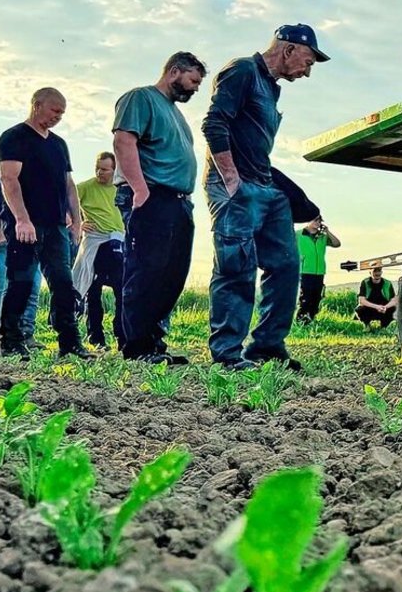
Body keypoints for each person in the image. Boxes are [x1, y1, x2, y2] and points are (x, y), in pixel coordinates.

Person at [202, 24, 328, 370]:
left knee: (286, 264)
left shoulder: (272, 88)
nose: (307, 72)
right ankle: (227, 355)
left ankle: (267, 347)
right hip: (237, 186)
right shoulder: (242, 70)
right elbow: (214, 123)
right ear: (288, 49)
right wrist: (231, 179)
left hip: (266, 186)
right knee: (236, 266)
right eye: (308, 62)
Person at [113, 52, 207, 365]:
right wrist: (140, 189)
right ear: (174, 72)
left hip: (178, 201)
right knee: (146, 271)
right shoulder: (141, 98)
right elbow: (123, 142)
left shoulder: (176, 113)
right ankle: (137, 347)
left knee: (171, 275)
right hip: (151, 195)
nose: (195, 88)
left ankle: (154, 343)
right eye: (193, 80)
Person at [0, 87, 90, 360]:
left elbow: (68, 184)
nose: (58, 117)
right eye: (54, 111)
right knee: (21, 283)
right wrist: (22, 219)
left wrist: (77, 220)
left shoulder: (59, 144)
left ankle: (70, 344)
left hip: (56, 226)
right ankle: (11, 342)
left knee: (63, 283)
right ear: (37, 105)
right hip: (26, 225)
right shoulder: (14, 137)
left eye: (62, 113)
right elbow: (8, 179)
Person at [71, 152, 126, 349]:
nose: (99, 173)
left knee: (122, 291)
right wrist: (77, 223)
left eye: (104, 169)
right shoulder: (85, 187)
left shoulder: (122, 189)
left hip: (117, 243)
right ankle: (96, 337)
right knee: (93, 292)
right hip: (95, 243)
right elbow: (64, 202)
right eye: (97, 168)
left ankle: (123, 337)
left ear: (114, 170)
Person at [0, 171, 40, 347]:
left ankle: (27, 333)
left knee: (33, 287)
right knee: (4, 285)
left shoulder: (31, 178)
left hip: (32, 240)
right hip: (8, 239)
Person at [295, 218, 341, 323]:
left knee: (316, 298)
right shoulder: (298, 234)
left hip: (319, 272)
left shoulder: (323, 236)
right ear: (308, 220)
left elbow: (337, 244)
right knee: (305, 297)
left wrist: (327, 232)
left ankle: (310, 320)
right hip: (305, 271)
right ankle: (300, 321)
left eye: (320, 221)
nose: (318, 223)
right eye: (315, 220)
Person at [355, 265, 397, 329]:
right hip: (370, 308)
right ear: (370, 272)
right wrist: (377, 307)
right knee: (360, 309)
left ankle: (384, 327)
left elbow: (394, 300)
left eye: (379, 271)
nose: (377, 273)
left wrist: (385, 307)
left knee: (394, 309)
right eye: (375, 271)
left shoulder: (387, 283)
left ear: (381, 272)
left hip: (384, 308)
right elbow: (361, 301)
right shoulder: (365, 282)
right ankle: (367, 326)